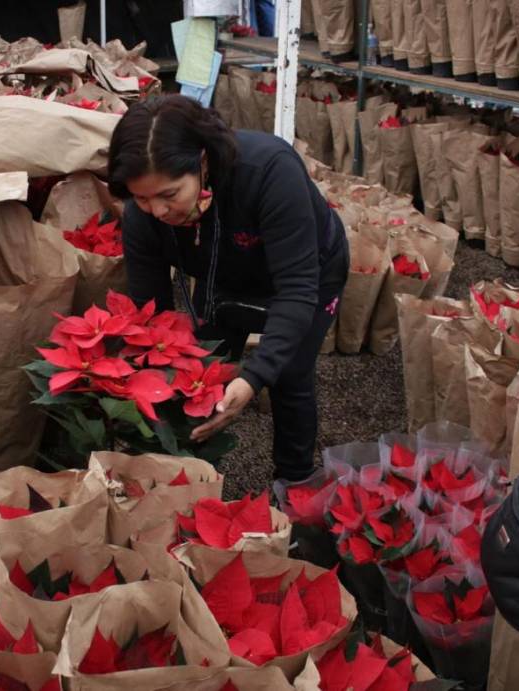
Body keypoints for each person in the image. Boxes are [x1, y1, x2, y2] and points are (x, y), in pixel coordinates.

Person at [108, 95, 349, 482]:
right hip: (221, 269)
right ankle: (192, 477)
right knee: (204, 365)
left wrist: (253, 379)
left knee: (289, 373)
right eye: (141, 197)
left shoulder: (269, 171)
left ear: (202, 161)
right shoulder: (144, 216)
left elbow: (297, 290)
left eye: (170, 195)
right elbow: (149, 310)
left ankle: (296, 480)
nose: (157, 211)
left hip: (308, 271)